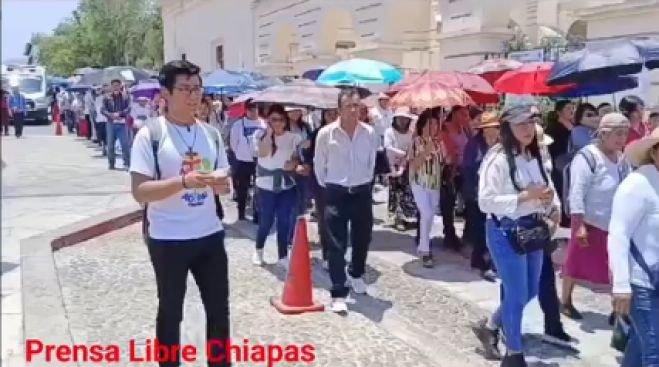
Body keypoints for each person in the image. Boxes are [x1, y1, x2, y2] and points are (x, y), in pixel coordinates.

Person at [129, 60, 231, 367]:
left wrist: (220, 184)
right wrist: (183, 182)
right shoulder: (151, 135)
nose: (193, 96)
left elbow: (225, 181)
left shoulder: (211, 134)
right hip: (168, 238)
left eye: (197, 88)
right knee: (171, 311)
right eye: (184, 89)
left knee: (218, 310)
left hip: (209, 235)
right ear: (166, 94)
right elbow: (140, 191)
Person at [473, 106, 561, 366]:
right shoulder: (497, 159)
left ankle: (490, 326)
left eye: (530, 123)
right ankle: (514, 354)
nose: (527, 129)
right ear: (507, 128)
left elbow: (546, 186)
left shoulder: (534, 154)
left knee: (530, 290)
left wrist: (552, 206)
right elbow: (485, 202)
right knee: (515, 293)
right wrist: (525, 196)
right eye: (520, 124)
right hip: (505, 231)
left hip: (533, 229)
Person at [314, 88, 379, 314]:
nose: (354, 110)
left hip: (361, 190)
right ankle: (338, 291)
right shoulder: (326, 134)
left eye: (357, 106)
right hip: (336, 191)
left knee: (363, 237)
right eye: (349, 106)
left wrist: (364, 181)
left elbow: (372, 162)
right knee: (336, 244)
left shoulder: (369, 132)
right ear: (339, 109)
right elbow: (319, 165)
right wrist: (331, 186)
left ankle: (357, 272)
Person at [561, 113, 631, 320]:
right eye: (617, 134)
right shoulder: (587, 157)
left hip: (613, 222)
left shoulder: (622, 158)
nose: (621, 139)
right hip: (588, 220)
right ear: (603, 134)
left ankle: (618, 310)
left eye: (625, 134)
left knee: (616, 264)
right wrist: (579, 224)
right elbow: (577, 191)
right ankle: (565, 301)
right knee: (574, 263)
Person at [608, 127, 659, 367]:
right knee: (654, 349)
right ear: (654, 152)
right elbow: (618, 235)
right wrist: (620, 285)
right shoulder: (636, 185)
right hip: (640, 282)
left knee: (641, 344)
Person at [252, 104, 303, 269]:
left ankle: (282, 255)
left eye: (281, 120)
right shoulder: (259, 135)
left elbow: (297, 158)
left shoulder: (293, 137)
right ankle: (259, 249)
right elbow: (262, 153)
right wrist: (268, 133)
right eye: (274, 120)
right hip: (266, 185)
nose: (278, 123)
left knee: (284, 221)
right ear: (268, 120)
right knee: (266, 221)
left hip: (286, 184)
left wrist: (293, 164)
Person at [462, 111, 500, 281]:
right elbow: (468, 170)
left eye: (497, 127)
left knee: (490, 228)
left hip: (494, 193)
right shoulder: (474, 145)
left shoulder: (500, 145)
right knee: (480, 229)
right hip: (476, 193)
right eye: (493, 127)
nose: (496, 130)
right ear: (485, 129)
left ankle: (483, 261)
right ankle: (482, 262)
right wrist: (475, 191)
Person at [409, 109, 442, 268]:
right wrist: (425, 151)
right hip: (419, 182)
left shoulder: (438, 143)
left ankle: (425, 244)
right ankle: (424, 249)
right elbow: (413, 164)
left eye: (436, 124)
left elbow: (444, 161)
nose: (433, 127)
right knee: (426, 213)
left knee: (430, 217)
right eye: (430, 124)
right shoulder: (416, 142)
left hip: (434, 183)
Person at [308, 109, 338, 270]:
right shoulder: (317, 134)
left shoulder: (343, 133)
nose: (332, 117)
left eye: (334, 114)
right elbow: (310, 156)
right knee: (324, 219)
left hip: (340, 182)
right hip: (322, 182)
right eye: (329, 114)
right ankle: (327, 254)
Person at [229, 99, 265, 221]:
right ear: (246, 110)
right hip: (243, 160)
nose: (253, 111)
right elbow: (233, 143)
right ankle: (241, 212)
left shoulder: (263, 124)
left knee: (258, 188)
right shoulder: (238, 125)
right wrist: (241, 152)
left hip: (259, 160)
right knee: (242, 188)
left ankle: (257, 213)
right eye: (250, 109)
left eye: (255, 108)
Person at [384, 107, 417, 230]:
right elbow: (387, 146)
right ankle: (397, 218)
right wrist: (401, 153)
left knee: (406, 192)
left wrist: (406, 158)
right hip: (392, 164)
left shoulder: (410, 134)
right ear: (395, 119)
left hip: (406, 165)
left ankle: (407, 216)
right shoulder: (389, 132)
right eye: (400, 118)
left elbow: (411, 148)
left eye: (405, 119)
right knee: (395, 191)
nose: (403, 121)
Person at [545, 100, 576, 227]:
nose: (571, 111)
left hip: (570, 162)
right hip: (558, 164)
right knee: (562, 189)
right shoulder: (553, 128)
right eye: (568, 108)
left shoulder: (573, 125)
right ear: (559, 112)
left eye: (572, 108)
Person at [102, 79, 131, 170]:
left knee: (125, 144)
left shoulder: (125, 97)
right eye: (113, 85)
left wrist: (120, 114)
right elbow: (102, 110)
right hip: (111, 124)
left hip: (122, 124)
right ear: (111, 87)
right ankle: (111, 163)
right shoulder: (106, 97)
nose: (115, 87)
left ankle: (126, 163)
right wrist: (111, 115)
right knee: (110, 145)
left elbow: (129, 108)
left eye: (117, 85)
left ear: (120, 86)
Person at [94, 86, 108, 155]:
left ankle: (104, 148)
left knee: (102, 135)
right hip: (105, 119)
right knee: (106, 135)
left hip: (100, 120)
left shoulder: (97, 99)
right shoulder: (105, 99)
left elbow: (96, 110)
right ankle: (105, 148)